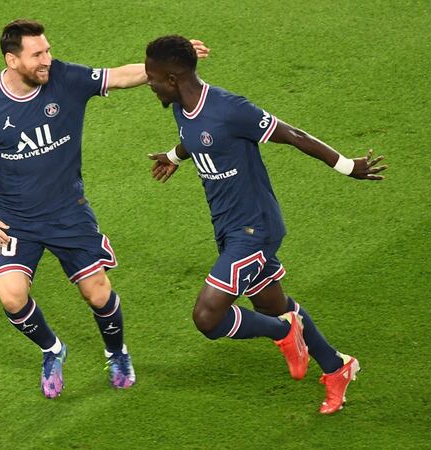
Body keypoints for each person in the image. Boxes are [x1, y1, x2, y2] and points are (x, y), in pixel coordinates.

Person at [0, 20, 209, 398]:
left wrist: (171, 61)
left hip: (68, 212)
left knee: (98, 294)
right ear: (12, 60)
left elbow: (120, 76)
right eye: (37, 54)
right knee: (11, 296)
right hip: (15, 217)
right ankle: (52, 350)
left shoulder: (66, 78)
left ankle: (117, 351)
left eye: (48, 50)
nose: (47, 59)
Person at [143, 35, 386, 414]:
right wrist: (174, 156)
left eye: (152, 77)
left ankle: (284, 332)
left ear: (172, 78)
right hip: (228, 227)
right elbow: (194, 138)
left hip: (254, 229)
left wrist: (347, 166)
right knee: (274, 303)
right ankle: (338, 367)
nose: (149, 83)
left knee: (207, 317)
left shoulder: (229, 108)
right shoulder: (180, 106)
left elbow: (293, 135)